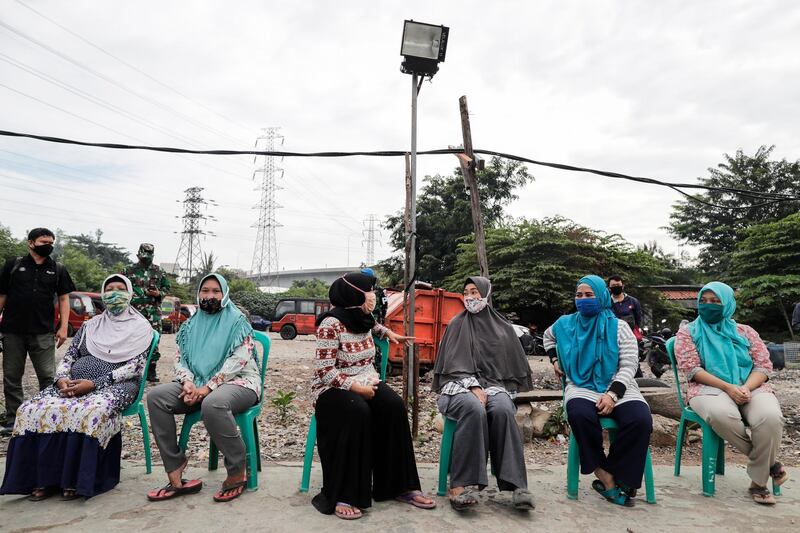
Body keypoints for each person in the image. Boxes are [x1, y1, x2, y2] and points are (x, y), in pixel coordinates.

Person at [0, 274, 152, 499]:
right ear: (103, 293)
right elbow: (70, 356)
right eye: (110, 289)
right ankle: (42, 479)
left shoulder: (141, 328)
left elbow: (135, 368)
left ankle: (74, 479)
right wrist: (61, 379)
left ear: (130, 293)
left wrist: (95, 384)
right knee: (30, 409)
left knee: (89, 411)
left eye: (121, 288)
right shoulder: (91, 325)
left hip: (117, 385)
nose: (115, 293)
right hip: (72, 383)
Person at [311, 272, 435, 520]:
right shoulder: (330, 324)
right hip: (333, 388)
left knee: (394, 406)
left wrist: (388, 333)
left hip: (366, 378)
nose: (373, 296)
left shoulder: (362, 317)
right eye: (369, 291)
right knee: (357, 410)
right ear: (355, 294)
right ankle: (345, 493)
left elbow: (371, 325)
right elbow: (325, 372)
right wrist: (355, 388)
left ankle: (399, 486)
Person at [146, 273, 260, 503]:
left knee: (213, 403)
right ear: (198, 293)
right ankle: (175, 465)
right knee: (157, 396)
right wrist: (188, 383)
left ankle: (238, 469)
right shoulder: (189, 326)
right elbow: (181, 360)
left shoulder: (238, 322)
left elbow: (238, 361)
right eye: (205, 290)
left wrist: (206, 388)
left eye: (216, 291)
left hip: (239, 382)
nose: (210, 295)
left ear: (225, 293)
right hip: (198, 384)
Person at [674, 281, 788, 505]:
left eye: (716, 301)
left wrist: (745, 387)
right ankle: (770, 465)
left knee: (771, 417)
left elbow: (763, 366)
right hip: (707, 388)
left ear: (727, 304)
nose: (709, 305)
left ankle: (758, 482)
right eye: (704, 301)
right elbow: (692, 369)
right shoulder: (688, 332)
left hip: (751, 386)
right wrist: (728, 387)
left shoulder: (745, 332)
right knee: (721, 414)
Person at [543, 275, 652, 507]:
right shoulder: (565, 323)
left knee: (640, 419)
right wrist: (554, 359)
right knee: (580, 416)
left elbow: (630, 365)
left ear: (601, 296)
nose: (583, 300)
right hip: (581, 385)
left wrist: (612, 395)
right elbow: (547, 337)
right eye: (579, 295)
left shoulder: (619, 327)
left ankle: (620, 474)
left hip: (618, 385)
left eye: (589, 295)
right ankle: (605, 476)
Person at [433, 276, 535, 511]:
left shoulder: (503, 328)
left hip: (494, 386)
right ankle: (461, 484)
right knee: (473, 407)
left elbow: (509, 368)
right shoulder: (457, 324)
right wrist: (473, 386)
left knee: (501, 409)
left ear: (486, 294)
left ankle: (516, 485)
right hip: (455, 387)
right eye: (466, 292)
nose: (470, 297)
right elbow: (451, 365)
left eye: (475, 292)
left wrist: (489, 389)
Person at [0, 228, 76, 435]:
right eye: (44, 241)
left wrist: (63, 327)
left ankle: (46, 418)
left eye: (51, 242)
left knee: (48, 376)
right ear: (31, 243)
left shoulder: (57, 269)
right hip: (12, 330)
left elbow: (63, 299)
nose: (49, 245)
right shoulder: (13, 265)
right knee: (12, 377)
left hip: (43, 331)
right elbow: (2, 296)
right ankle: (13, 419)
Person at [123, 243, 170, 383]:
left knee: (154, 341)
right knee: (130, 340)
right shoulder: (128, 270)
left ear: (152, 256)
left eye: (148, 257)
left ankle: (151, 371)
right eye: (143, 257)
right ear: (138, 255)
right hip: (133, 312)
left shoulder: (159, 271)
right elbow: (121, 288)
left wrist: (158, 293)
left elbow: (166, 287)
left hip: (153, 312)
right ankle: (129, 370)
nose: (145, 260)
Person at [607, 275, 643, 340]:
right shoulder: (607, 303)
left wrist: (638, 328)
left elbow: (638, 318)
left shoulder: (633, 301)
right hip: (612, 336)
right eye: (613, 286)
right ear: (609, 288)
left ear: (622, 286)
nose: (616, 287)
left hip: (630, 336)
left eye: (618, 285)